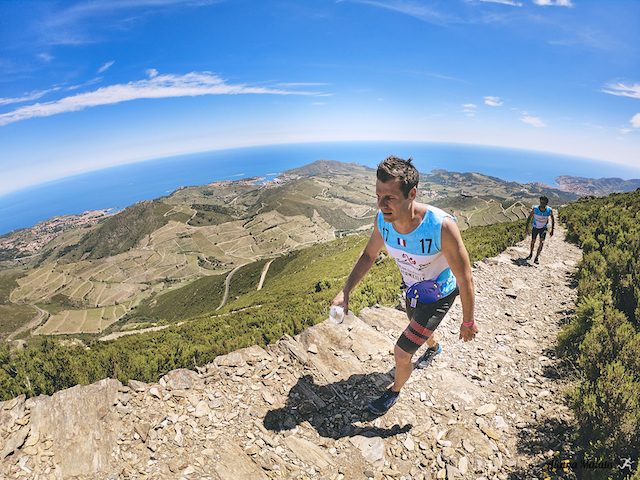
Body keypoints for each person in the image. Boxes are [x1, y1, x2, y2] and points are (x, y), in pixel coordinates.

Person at [331, 156, 477, 415]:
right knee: (419, 330)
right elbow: (368, 255)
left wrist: (468, 322)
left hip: (440, 296)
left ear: (412, 194)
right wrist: (345, 291)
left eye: (390, 198)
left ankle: (393, 392)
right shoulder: (382, 221)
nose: (382, 204)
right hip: (413, 292)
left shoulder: (441, 227)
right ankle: (433, 347)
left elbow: (465, 277)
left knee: (401, 353)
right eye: (378, 196)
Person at [524, 195, 555, 264]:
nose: (542, 204)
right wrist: (527, 228)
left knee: (542, 242)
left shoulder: (549, 210)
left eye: (543, 203)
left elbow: (553, 219)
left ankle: (536, 257)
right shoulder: (535, 209)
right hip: (535, 227)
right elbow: (529, 217)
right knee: (533, 241)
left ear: (546, 203)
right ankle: (531, 254)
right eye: (541, 202)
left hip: (543, 228)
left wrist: (552, 229)